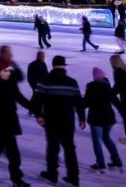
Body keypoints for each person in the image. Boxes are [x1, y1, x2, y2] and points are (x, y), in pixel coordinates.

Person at [31, 55, 85, 186]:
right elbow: (79, 102)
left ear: (53, 65)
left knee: (53, 146)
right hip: (68, 119)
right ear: (64, 66)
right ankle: (73, 177)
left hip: (51, 119)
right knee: (69, 147)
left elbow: (37, 100)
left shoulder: (46, 80)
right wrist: (82, 118)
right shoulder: (72, 82)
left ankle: (52, 174)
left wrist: (39, 115)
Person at [84, 67, 123, 173]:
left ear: (94, 77)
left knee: (97, 141)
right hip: (109, 118)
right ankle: (117, 161)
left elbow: (85, 104)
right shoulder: (108, 88)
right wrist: (125, 114)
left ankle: (100, 164)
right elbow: (117, 102)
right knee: (106, 138)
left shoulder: (91, 88)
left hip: (96, 118)